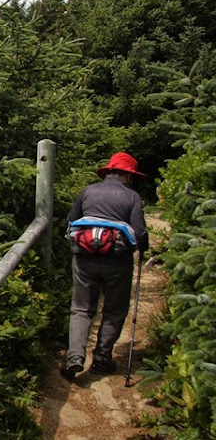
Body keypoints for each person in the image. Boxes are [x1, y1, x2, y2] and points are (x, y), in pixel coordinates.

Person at [60, 152, 150, 380]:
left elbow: (71, 220)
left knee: (81, 309)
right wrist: (143, 247)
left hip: (84, 258)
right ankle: (101, 359)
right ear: (128, 175)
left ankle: (75, 358)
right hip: (118, 261)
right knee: (114, 310)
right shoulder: (132, 197)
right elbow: (139, 233)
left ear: (109, 171)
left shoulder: (88, 191)